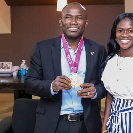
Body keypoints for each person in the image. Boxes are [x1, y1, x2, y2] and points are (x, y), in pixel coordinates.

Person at [24, 2, 107, 133]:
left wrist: (95, 91)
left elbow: (105, 85)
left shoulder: (98, 50)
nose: (73, 22)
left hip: (87, 124)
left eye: (79, 17)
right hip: (52, 124)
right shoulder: (43, 48)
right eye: (68, 17)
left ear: (86, 22)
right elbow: (29, 83)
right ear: (61, 21)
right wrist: (52, 86)